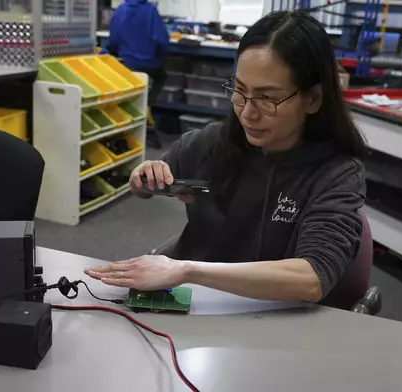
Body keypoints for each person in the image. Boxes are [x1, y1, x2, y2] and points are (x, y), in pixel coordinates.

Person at [86, 11, 367, 304]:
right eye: (240, 91)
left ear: (313, 99)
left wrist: (188, 271)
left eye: (268, 98)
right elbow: (143, 187)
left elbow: (312, 279)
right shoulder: (208, 143)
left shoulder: (336, 173)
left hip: (274, 318)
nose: (247, 113)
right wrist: (142, 178)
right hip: (197, 305)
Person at [107, 0, 169, 148]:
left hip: (126, 65)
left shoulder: (120, 10)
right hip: (149, 64)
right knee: (161, 77)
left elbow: (112, 41)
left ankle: (133, 113)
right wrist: (159, 57)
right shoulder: (150, 10)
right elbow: (162, 41)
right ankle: (146, 105)